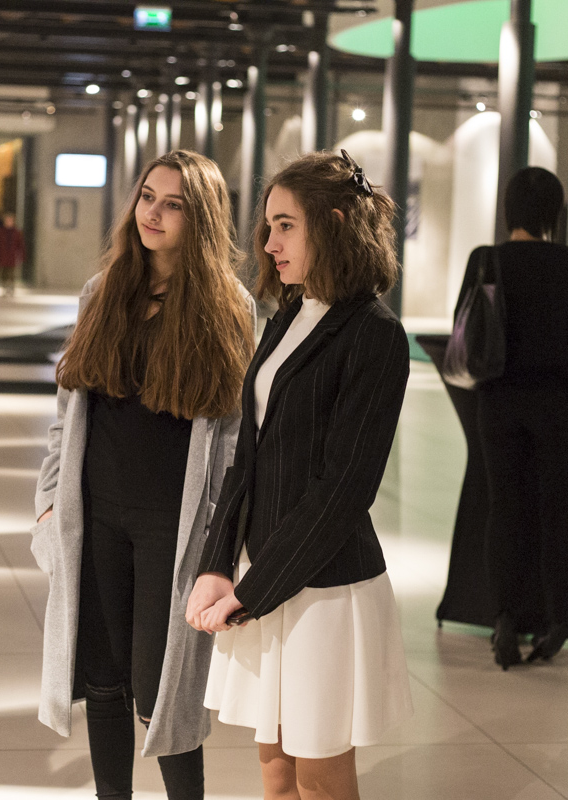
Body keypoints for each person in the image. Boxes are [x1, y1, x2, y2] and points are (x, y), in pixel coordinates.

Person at [186, 150, 413, 800]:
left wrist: (253, 592)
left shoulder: (375, 334)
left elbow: (344, 489)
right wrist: (217, 564)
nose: (268, 242)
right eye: (269, 225)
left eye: (285, 225)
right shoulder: (288, 314)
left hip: (323, 590)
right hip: (264, 573)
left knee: (320, 777)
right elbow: (248, 456)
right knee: (276, 769)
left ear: (334, 223)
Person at [31, 150, 256, 800]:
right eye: (147, 197)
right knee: (103, 679)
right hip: (96, 511)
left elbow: (235, 437)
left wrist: (221, 539)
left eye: (172, 204)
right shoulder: (103, 293)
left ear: (201, 217)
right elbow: (68, 414)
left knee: (164, 693)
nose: (152, 213)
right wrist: (47, 502)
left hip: (172, 525)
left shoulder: (227, 307)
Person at [459, 167, 568, 669]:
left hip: (498, 400)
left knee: (504, 507)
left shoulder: (486, 259)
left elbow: (464, 328)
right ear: (553, 213)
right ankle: (557, 620)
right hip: (554, 404)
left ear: (509, 209)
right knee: (555, 509)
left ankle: (504, 617)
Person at [0, 212, 26, 296]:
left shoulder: (16, 232)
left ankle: (11, 288)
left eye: (10, 220)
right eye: (7, 220)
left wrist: (22, 255)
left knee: (11, 273)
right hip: (2, 256)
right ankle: (5, 287)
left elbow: (20, 245)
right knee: (4, 273)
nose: (9, 222)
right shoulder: (0, 231)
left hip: (12, 256)